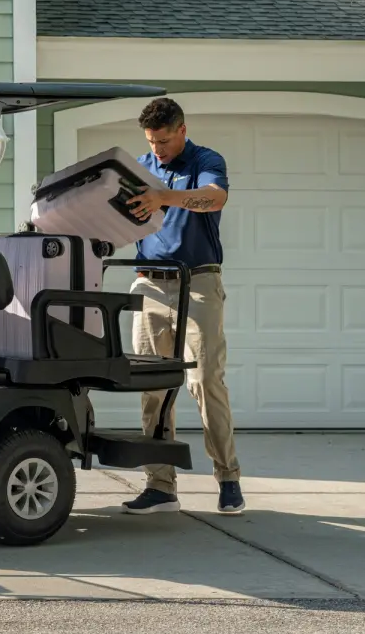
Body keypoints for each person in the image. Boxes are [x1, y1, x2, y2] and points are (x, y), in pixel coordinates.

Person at [121, 97, 244, 515]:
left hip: (198, 283)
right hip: (149, 285)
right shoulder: (139, 169)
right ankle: (160, 486)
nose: (157, 149)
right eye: (151, 142)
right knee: (152, 388)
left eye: (164, 141)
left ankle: (228, 478)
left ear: (182, 130)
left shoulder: (205, 160)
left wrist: (163, 197)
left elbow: (214, 198)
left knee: (207, 382)